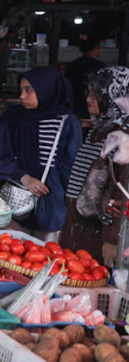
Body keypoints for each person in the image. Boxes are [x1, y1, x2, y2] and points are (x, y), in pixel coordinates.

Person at [0, 67, 83, 240]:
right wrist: (24, 177)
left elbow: (72, 169)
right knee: (8, 255)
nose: (22, 96)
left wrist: (68, 206)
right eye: (22, 90)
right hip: (15, 204)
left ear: (47, 90)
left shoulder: (67, 122)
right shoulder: (12, 119)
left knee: (44, 258)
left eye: (29, 90)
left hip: (52, 207)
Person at [61, 66, 129, 256]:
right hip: (77, 230)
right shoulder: (98, 130)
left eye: (95, 94)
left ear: (115, 96)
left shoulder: (123, 138)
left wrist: (113, 239)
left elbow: (122, 194)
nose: (89, 99)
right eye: (88, 93)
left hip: (100, 238)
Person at [64, 37, 104, 119]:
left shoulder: (72, 66)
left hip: (71, 109)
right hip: (92, 111)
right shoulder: (101, 68)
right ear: (98, 48)